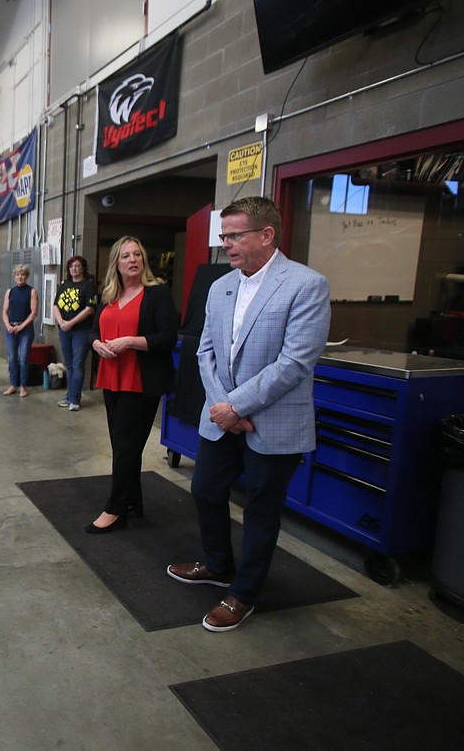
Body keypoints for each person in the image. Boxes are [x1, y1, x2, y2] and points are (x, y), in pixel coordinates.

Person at [168, 196, 330, 633]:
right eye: (224, 236)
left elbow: (295, 363)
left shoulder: (306, 285)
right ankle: (219, 564)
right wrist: (226, 410)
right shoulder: (221, 286)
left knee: (260, 508)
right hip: (223, 418)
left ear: (266, 234)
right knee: (204, 490)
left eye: (235, 235)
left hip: (273, 421)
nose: (227, 245)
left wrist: (238, 406)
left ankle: (244, 592)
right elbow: (204, 351)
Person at [87, 236, 178, 534]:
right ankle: (132, 501)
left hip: (141, 380)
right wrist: (97, 344)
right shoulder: (109, 295)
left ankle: (115, 509)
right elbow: (92, 331)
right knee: (123, 445)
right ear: (116, 262)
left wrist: (131, 342)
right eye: (126, 256)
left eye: (137, 254)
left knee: (126, 446)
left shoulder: (157, 294)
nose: (132, 260)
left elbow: (168, 337)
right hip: (112, 378)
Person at [55, 255, 99, 411]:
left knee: (78, 364)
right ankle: (69, 396)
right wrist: (61, 323)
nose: (74, 269)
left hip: (81, 331)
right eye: (71, 266)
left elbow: (89, 309)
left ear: (83, 268)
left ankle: (75, 399)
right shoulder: (64, 285)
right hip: (64, 331)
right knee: (69, 365)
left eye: (77, 266)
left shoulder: (88, 286)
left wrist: (70, 323)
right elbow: (55, 306)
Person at [1, 264, 39, 397]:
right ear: (14, 276)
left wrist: (21, 326)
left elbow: (34, 312)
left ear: (26, 276)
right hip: (11, 329)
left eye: (22, 274)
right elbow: (5, 311)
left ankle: (23, 386)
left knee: (23, 358)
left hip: (25, 330)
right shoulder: (10, 292)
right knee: (12, 358)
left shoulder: (32, 291)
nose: (20, 277)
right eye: (18, 274)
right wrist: (8, 325)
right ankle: (13, 385)